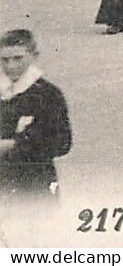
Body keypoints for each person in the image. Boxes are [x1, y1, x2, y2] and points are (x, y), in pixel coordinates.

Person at [0, 29, 72, 200]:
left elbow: (62, 142)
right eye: (4, 60)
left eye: (18, 58)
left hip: (34, 182)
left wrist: (15, 145)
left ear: (34, 56)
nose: (11, 66)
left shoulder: (47, 94)